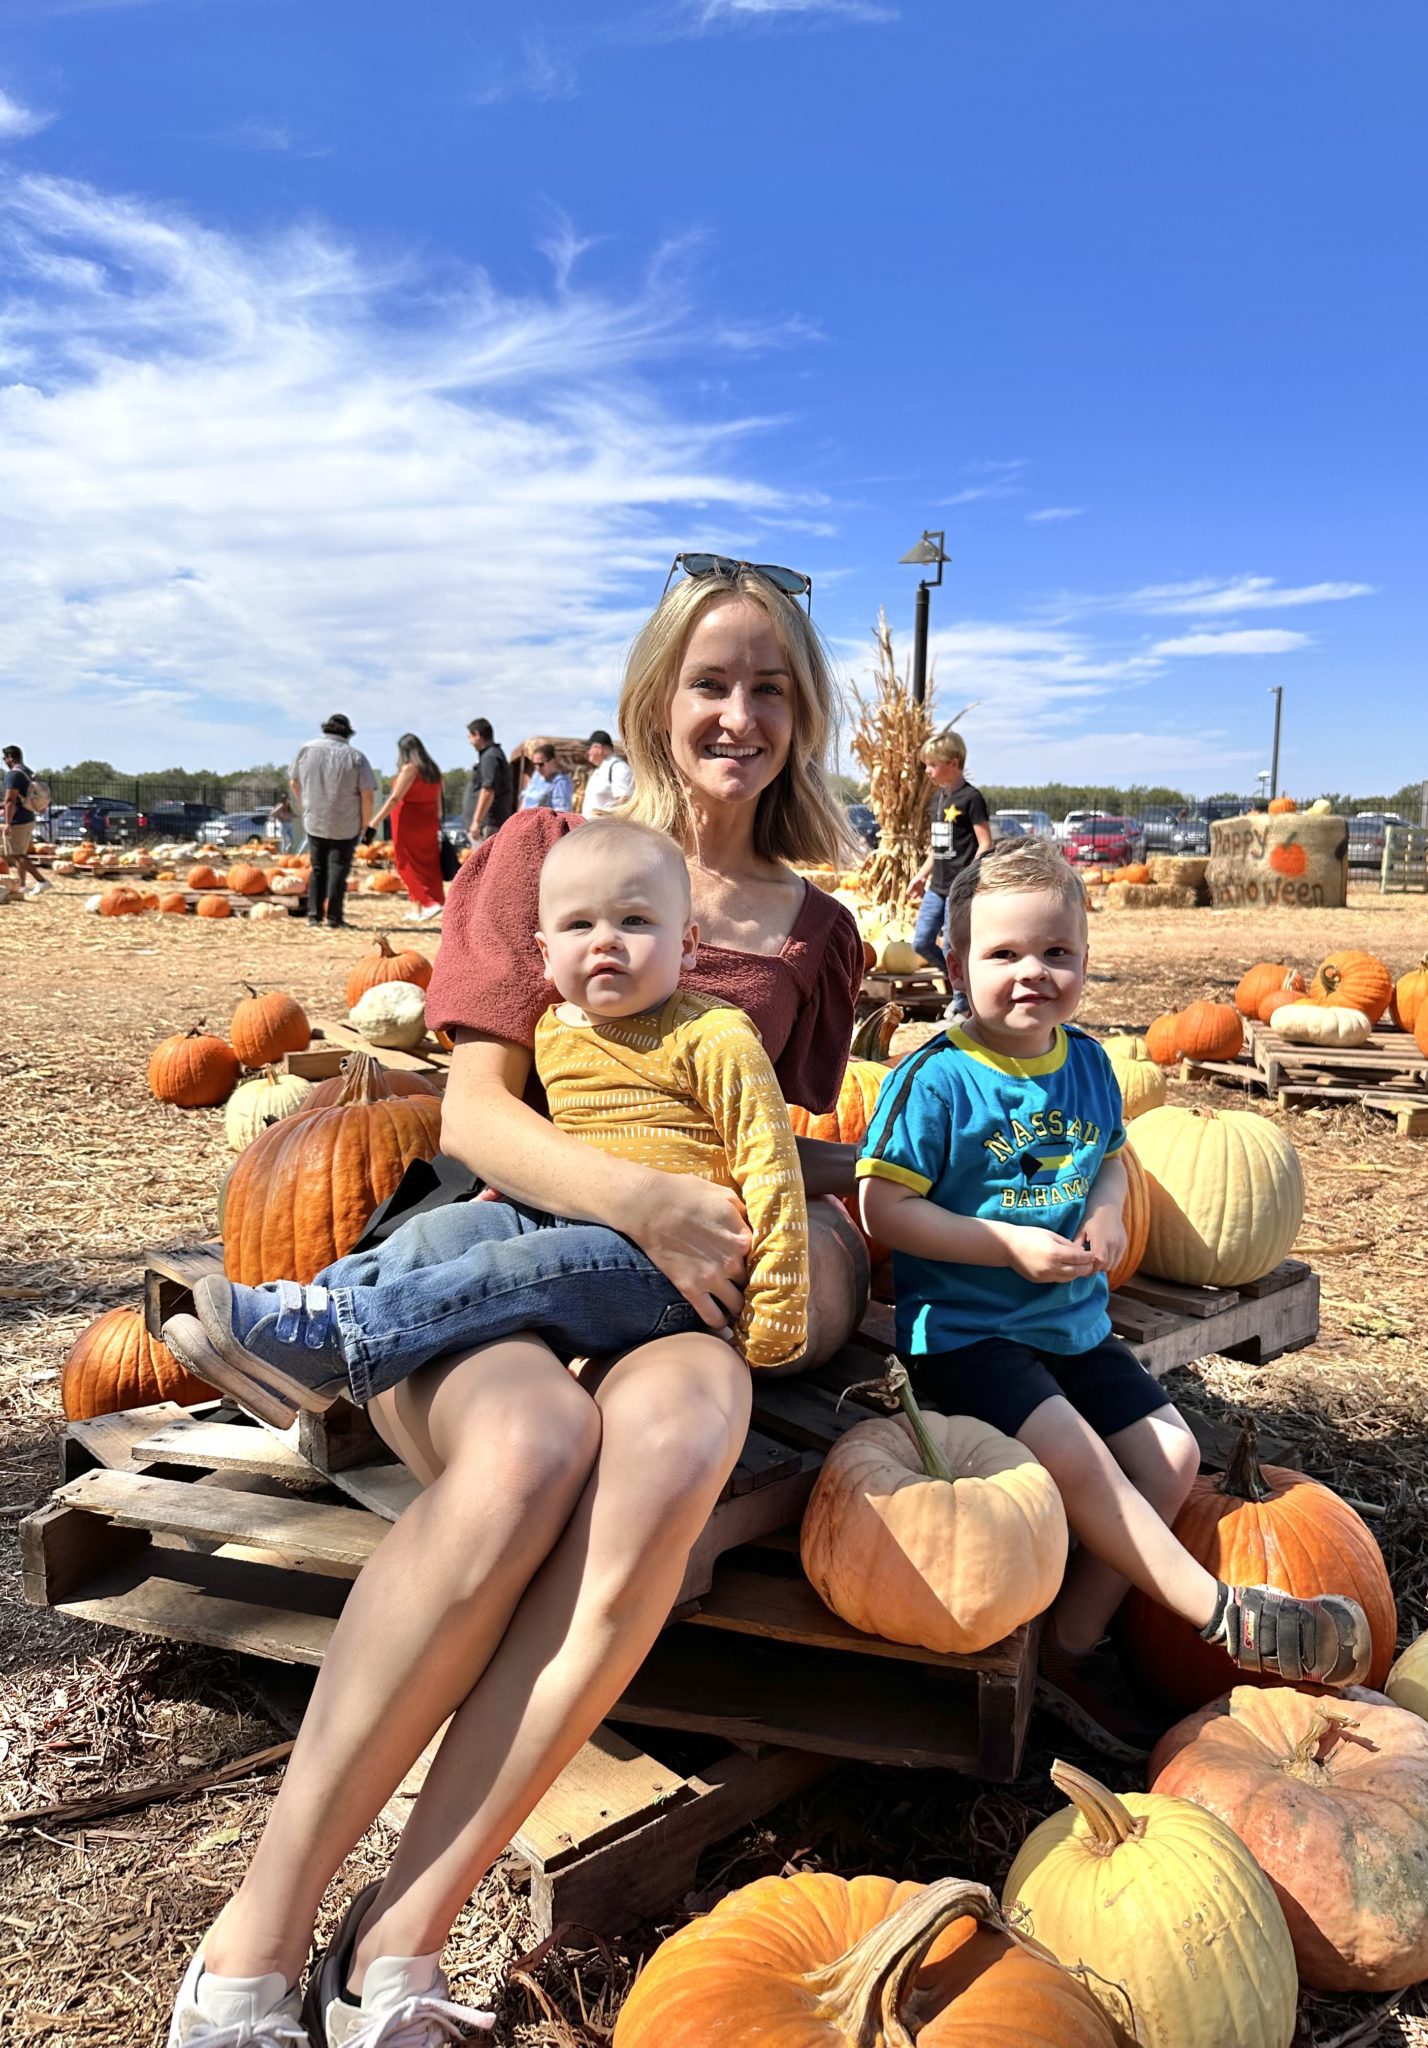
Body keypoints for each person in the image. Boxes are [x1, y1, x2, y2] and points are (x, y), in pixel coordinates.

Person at [160, 557, 865, 2048]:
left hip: (684, 1309)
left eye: (771, 690)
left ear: (805, 717)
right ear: (657, 693)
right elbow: (473, 1113)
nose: (737, 716)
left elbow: (784, 1153)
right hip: (501, 1258)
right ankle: (258, 1933)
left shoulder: (812, 932)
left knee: (669, 1453)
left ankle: (397, 1949)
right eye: (710, 683)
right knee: (529, 1450)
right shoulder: (547, 850)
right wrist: (645, 1203)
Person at [858, 836, 1371, 1760]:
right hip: (969, 1338)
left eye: (1056, 954)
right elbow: (881, 1208)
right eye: (1004, 954)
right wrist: (1002, 1243)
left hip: (1071, 1325)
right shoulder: (931, 1081)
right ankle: (1223, 1615)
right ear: (954, 963)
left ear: (1086, 962)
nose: (1032, 974)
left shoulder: (1088, 1064)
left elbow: (1106, 1162)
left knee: (1173, 1458)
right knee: (1080, 1459)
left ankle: (1068, 1648)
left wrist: (1104, 1219)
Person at [168, 818, 811, 1413]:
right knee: (435, 1235)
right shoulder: (557, 1031)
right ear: (545, 951)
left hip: (672, 1264)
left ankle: (346, 1342)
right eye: (579, 926)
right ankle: (311, 1311)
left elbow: (769, 1158)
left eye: (637, 922)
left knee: (509, 1271)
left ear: (689, 944)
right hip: (576, 1217)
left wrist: (776, 1304)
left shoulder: (716, 1034)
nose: (606, 941)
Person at [906, 731, 992, 1019]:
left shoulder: (972, 798)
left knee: (952, 945)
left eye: (932, 764)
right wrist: (920, 876)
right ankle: (963, 985)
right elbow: (937, 847)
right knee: (922, 942)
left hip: (958, 888)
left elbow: (985, 843)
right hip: (936, 886)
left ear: (953, 762)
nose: (927, 771)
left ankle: (961, 1003)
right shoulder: (938, 799)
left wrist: (970, 877)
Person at [290, 715, 375, 931]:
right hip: (345, 822)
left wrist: (305, 806)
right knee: (339, 869)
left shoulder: (306, 750)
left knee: (318, 868)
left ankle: (314, 916)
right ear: (347, 733)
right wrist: (366, 824)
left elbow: (294, 781)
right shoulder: (356, 757)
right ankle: (334, 918)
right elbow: (367, 794)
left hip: (315, 818)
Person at [366, 736, 446, 924]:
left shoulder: (410, 769)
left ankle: (430, 903)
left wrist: (375, 822)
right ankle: (418, 909)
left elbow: (395, 798)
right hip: (429, 820)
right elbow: (439, 805)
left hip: (409, 821)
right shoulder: (434, 772)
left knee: (406, 864)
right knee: (427, 865)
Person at [2, 747, 52, 897]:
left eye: (4, 758)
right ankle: (23, 885)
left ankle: (42, 881)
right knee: (21, 853)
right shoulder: (28, 772)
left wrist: (7, 823)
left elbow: (10, 800)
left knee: (16, 854)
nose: (4, 762)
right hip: (29, 816)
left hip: (18, 819)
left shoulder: (13, 775)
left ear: (10, 757)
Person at [465, 719, 513, 843]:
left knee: (484, 861)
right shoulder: (489, 755)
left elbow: (488, 789)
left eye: (470, 736)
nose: (469, 741)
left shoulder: (490, 757)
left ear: (477, 735)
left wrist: (476, 821)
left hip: (487, 826)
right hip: (485, 824)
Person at [580, 728, 634, 817]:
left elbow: (626, 804)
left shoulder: (618, 768)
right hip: (593, 828)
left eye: (589, 748)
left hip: (606, 829)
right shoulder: (601, 769)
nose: (588, 752)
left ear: (599, 748)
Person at [519, 740, 573, 813]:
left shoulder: (560, 782)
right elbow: (525, 800)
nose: (537, 768)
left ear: (552, 761)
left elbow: (561, 812)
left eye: (541, 764)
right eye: (535, 764)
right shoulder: (536, 776)